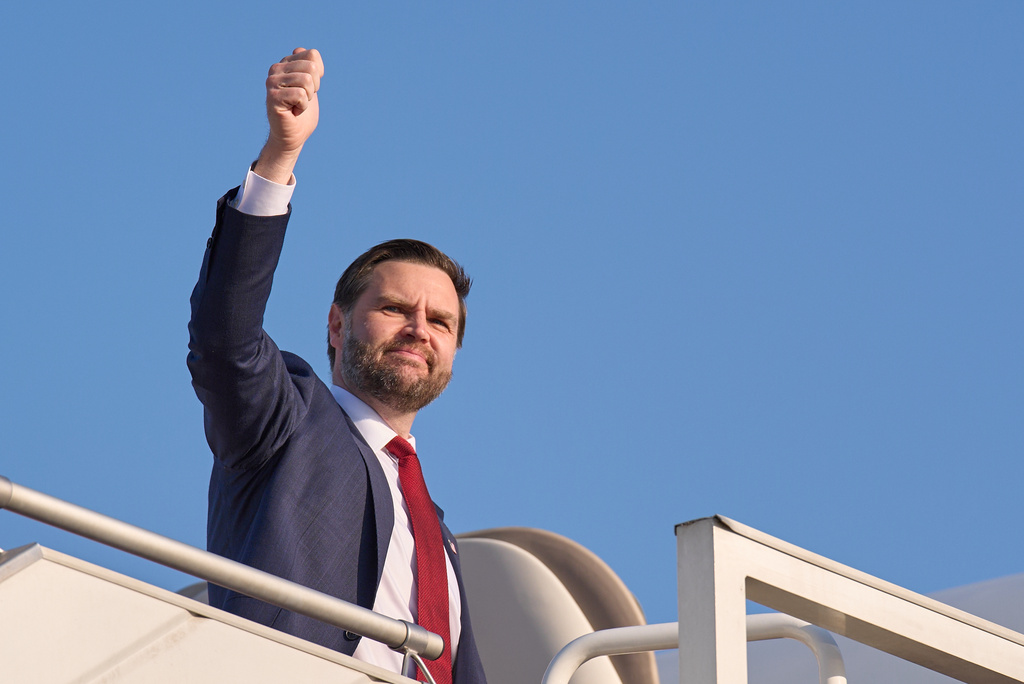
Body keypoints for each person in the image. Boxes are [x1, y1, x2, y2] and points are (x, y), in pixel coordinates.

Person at [187, 47, 487, 684]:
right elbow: (225, 341)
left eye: (441, 322)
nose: (418, 330)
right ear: (336, 324)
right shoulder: (284, 421)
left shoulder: (439, 535)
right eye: (397, 308)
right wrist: (281, 156)